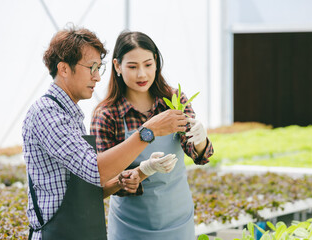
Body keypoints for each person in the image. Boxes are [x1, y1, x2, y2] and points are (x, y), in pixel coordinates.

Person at [22, 26, 187, 240]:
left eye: (99, 68)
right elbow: (95, 170)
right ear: (63, 69)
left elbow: (87, 188)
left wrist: (132, 176)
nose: (97, 77)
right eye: (91, 68)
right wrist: (148, 131)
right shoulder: (48, 114)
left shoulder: (70, 116)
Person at [90, 31, 214, 240]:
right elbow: (104, 180)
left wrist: (200, 139)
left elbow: (199, 155)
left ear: (156, 62)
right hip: (131, 226)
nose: (142, 74)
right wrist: (143, 170)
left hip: (178, 219)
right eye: (132, 66)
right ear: (117, 66)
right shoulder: (107, 115)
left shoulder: (173, 100)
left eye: (148, 64)